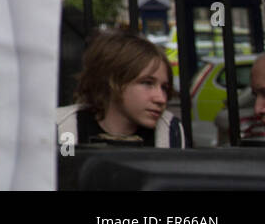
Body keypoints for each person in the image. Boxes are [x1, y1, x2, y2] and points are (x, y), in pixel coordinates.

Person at [56, 29, 185, 147]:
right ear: (112, 81)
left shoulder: (168, 130)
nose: (161, 98)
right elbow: (67, 166)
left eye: (164, 87)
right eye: (147, 83)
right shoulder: (66, 128)